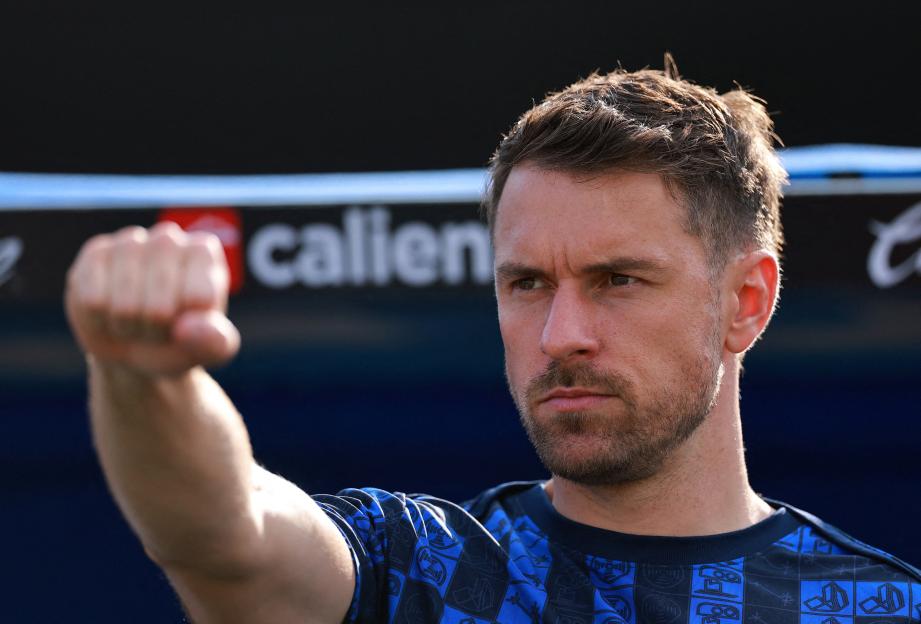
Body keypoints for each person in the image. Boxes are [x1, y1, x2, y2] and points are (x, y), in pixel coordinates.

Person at [65, 59, 920, 624]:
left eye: (618, 279)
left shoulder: (876, 607)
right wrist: (142, 377)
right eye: (528, 283)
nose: (561, 335)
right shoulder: (415, 569)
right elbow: (225, 534)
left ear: (745, 302)